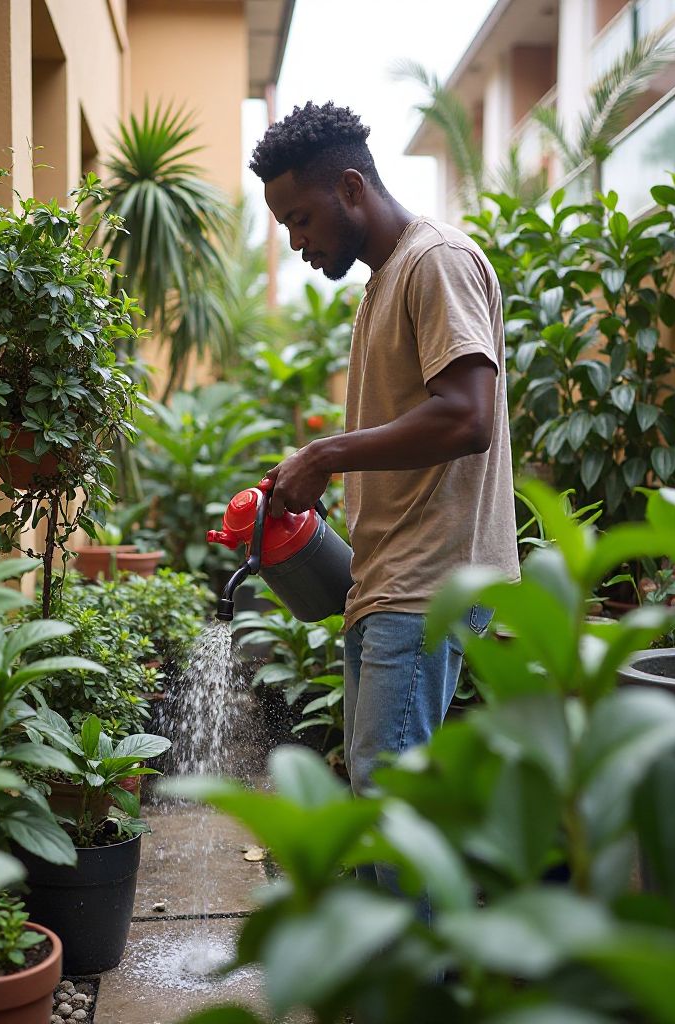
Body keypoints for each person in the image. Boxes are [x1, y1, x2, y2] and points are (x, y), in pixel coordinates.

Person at [249, 100, 520, 803]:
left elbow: (467, 417)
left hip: (430, 582)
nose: (297, 242)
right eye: (285, 228)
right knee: (377, 794)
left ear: (349, 187)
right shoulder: (386, 281)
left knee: (389, 796)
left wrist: (327, 455)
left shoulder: (437, 261)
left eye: (300, 219)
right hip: (389, 580)